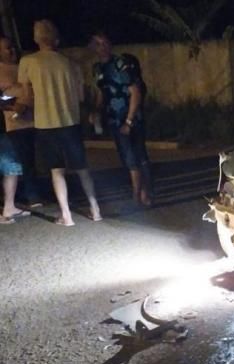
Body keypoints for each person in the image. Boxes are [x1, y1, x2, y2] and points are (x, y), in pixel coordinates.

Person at [18, 20, 101, 226]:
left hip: (46, 124)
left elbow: (27, 97)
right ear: (56, 38)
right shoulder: (70, 64)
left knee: (57, 171)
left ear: (36, 38)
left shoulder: (28, 62)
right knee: (82, 168)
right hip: (70, 122)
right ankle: (95, 209)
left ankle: (66, 215)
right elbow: (81, 96)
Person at [89, 32, 151, 206]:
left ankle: (139, 195)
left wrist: (129, 121)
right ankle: (141, 192)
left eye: (105, 42)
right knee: (127, 157)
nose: (102, 47)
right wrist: (96, 111)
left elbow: (136, 92)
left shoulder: (121, 64)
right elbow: (101, 91)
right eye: (98, 44)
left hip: (131, 118)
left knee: (136, 157)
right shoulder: (97, 69)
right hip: (113, 119)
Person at [0, 36, 42, 209]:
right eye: (7, 48)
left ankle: (32, 193)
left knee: (31, 159)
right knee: (16, 160)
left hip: (32, 120)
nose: (12, 51)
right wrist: (13, 104)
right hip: (12, 123)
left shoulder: (24, 66)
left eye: (13, 48)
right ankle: (22, 196)